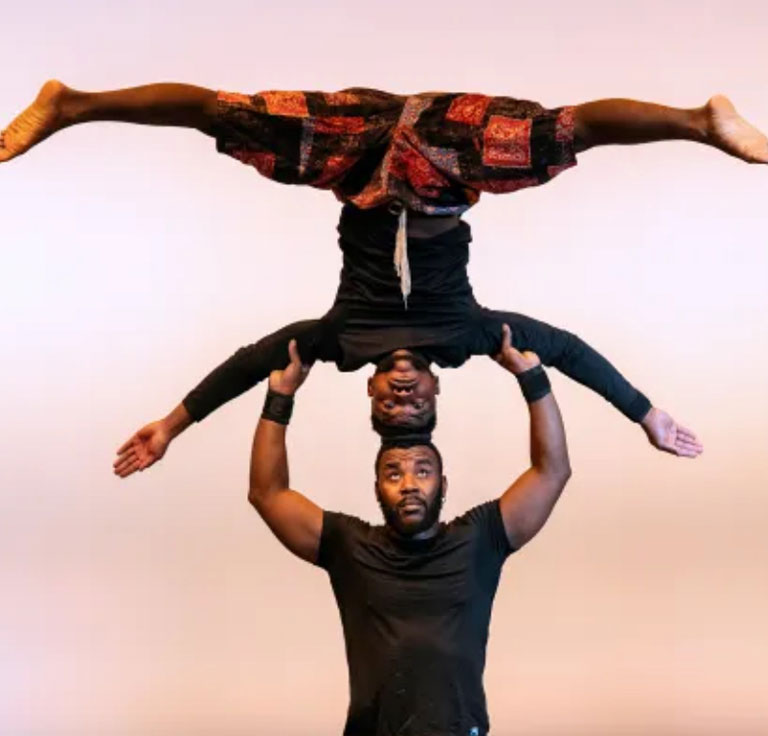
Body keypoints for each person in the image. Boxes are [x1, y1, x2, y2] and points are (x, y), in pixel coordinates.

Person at [112, 205, 703, 480]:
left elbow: (245, 366)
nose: (401, 394)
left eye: (388, 404)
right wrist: (645, 414)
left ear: (367, 388)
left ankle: (74, 104)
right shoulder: (470, 338)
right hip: (439, 190)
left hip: (365, 184)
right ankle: (700, 123)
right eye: (414, 403)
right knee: (570, 137)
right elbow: (568, 350)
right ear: (435, 388)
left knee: (225, 120)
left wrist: (170, 426)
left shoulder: (338, 343)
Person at [246, 329, 570, 736]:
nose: (409, 484)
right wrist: (280, 398)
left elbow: (552, 471)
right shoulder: (350, 546)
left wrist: (533, 380)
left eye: (423, 470)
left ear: (443, 485)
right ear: (377, 488)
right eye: (393, 473)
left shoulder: (478, 540)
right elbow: (267, 493)